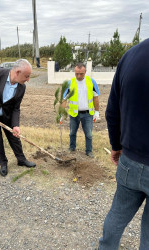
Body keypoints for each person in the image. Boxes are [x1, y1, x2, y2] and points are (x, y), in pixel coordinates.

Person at [99, 38, 149, 249]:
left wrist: (116, 146)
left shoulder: (130, 56)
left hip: (130, 160)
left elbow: (111, 112)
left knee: (117, 215)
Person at [62, 62, 100, 157]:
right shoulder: (70, 83)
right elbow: (64, 99)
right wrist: (61, 114)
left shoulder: (91, 82)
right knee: (72, 133)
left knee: (89, 134)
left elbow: (96, 97)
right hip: (74, 114)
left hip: (87, 114)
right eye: (77, 73)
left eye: (81, 73)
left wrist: (97, 112)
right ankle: (72, 147)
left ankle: (89, 151)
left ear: (85, 72)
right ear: (74, 72)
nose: (79, 76)